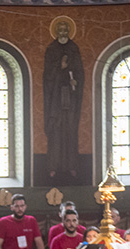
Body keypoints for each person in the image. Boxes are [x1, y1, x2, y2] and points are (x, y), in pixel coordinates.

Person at [43, 18, 83, 179]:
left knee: (71, 132)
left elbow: (79, 71)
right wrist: (61, 68)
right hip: (55, 100)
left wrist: (76, 81)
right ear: (56, 32)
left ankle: (72, 166)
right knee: (55, 133)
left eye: (65, 30)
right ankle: (53, 167)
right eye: (59, 30)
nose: (63, 33)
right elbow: (47, 75)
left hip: (70, 98)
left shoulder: (74, 49)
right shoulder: (51, 49)